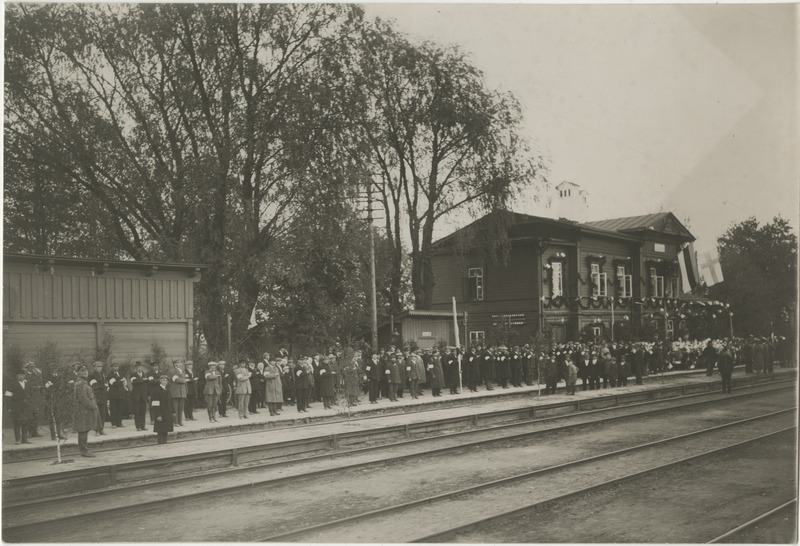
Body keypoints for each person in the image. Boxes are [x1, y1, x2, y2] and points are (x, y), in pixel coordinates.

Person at [73, 366, 99, 456]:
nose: (85, 372)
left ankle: (84, 449)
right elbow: (83, 398)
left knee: (84, 429)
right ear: (78, 373)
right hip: (83, 410)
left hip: (84, 409)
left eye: (86, 371)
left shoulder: (83, 382)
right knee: (83, 429)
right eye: (82, 371)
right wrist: (92, 406)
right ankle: (84, 451)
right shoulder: (80, 383)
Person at [6, 370, 31, 444]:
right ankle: (17, 440)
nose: (21, 376)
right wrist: (9, 407)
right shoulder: (12, 384)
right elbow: (8, 397)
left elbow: (31, 394)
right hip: (16, 406)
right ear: (17, 376)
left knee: (25, 422)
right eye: (19, 375)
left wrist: (30, 404)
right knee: (17, 422)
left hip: (26, 406)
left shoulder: (28, 384)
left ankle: (24, 439)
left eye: (22, 375)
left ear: (25, 376)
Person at [23, 362, 44, 438]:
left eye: (33, 367)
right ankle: (29, 431)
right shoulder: (25, 375)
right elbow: (26, 386)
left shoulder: (36, 374)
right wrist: (35, 387)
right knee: (29, 415)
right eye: (31, 367)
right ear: (27, 367)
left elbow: (40, 383)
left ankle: (34, 431)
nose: (32, 368)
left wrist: (40, 387)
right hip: (29, 397)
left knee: (36, 414)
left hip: (36, 397)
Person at [152, 374, 174, 444]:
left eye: (166, 380)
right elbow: (155, 404)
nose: (165, 382)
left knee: (166, 428)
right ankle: (160, 442)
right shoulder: (157, 390)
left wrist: (173, 411)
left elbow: (171, 401)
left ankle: (164, 442)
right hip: (161, 413)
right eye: (163, 380)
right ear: (160, 381)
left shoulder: (167, 390)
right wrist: (158, 415)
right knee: (160, 429)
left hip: (167, 413)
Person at [88, 361, 108, 436]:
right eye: (98, 367)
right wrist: (103, 386)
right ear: (94, 368)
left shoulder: (103, 375)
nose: (100, 368)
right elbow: (95, 386)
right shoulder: (91, 376)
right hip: (96, 396)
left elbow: (105, 384)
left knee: (103, 414)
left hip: (103, 396)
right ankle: (96, 430)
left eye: (101, 367)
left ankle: (101, 429)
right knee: (96, 414)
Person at [129, 361, 149, 431]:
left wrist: (147, 395)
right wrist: (143, 380)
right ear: (136, 368)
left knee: (143, 412)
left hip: (143, 396)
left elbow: (147, 385)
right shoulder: (133, 375)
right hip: (136, 396)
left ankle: (143, 425)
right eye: (138, 367)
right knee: (137, 412)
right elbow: (134, 381)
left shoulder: (144, 374)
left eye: (141, 367)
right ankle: (138, 426)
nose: (139, 368)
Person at [169, 359, 188, 427]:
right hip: (175, 392)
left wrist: (186, 391)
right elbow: (176, 379)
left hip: (182, 392)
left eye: (180, 363)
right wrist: (185, 380)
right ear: (174, 364)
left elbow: (184, 383)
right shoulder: (172, 371)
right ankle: (175, 422)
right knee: (175, 408)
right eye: (177, 363)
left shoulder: (182, 371)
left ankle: (180, 421)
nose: (179, 364)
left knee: (181, 408)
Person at [107, 363, 126, 428]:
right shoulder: (110, 375)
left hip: (120, 394)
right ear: (112, 367)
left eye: (117, 366)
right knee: (113, 409)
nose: (116, 368)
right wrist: (121, 380)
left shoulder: (119, 374)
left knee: (119, 409)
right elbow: (114, 383)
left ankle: (119, 422)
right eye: (115, 366)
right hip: (113, 395)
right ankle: (113, 423)